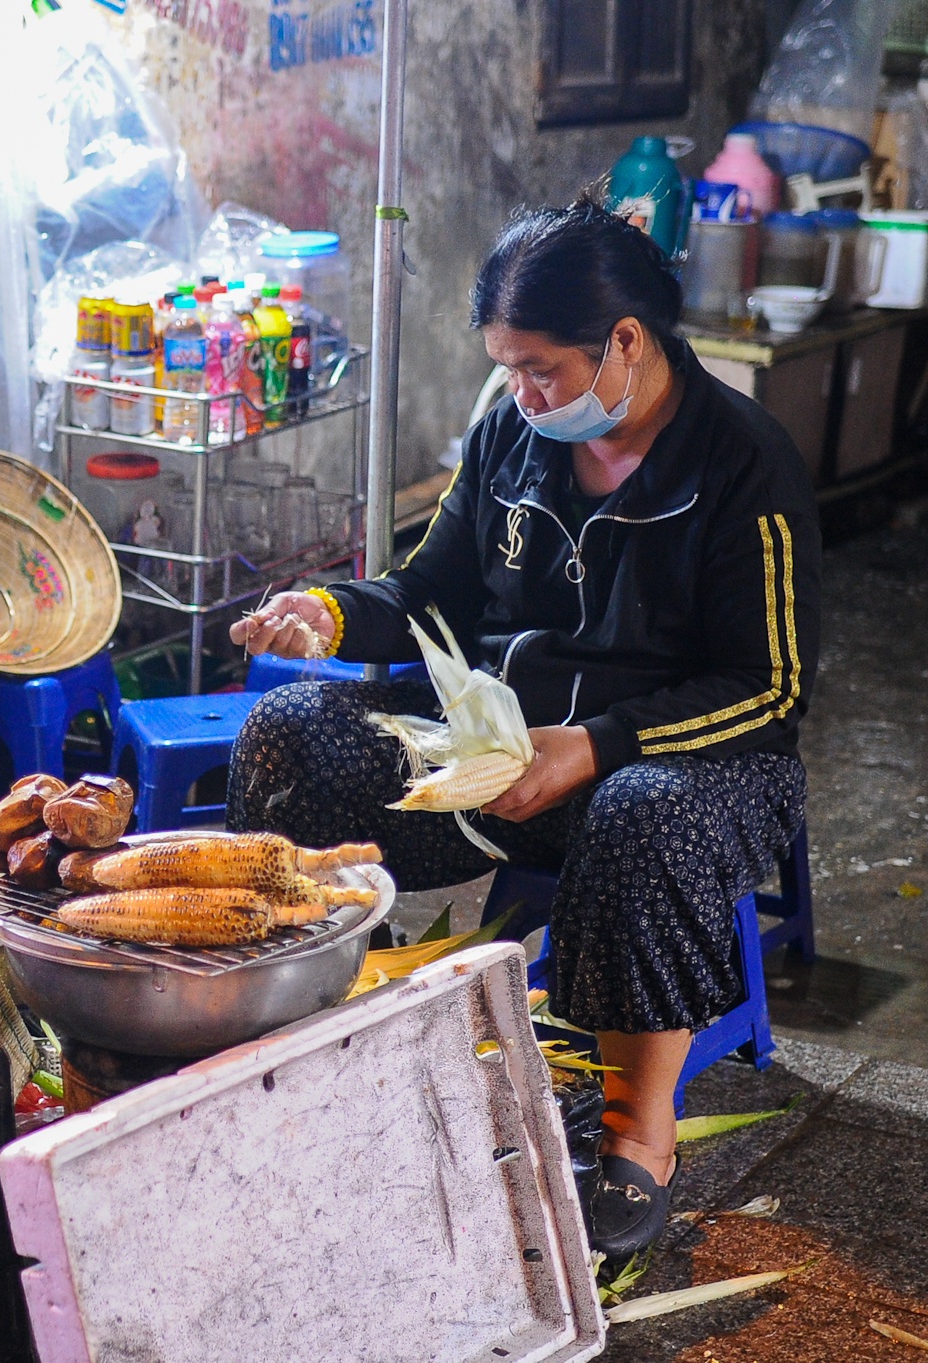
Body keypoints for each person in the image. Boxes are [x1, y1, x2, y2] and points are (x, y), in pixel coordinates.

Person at [227, 199, 819, 1258]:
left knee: (641, 816)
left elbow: (767, 687)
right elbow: (432, 592)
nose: (519, 392)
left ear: (624, 345)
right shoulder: (510, 432)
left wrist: (592, 745)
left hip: (684, 768)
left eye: (539, 368)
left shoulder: (742, 463)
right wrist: (332, 611)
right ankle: (286, 1032)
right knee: (291, 727)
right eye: (505, 367)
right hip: (503, 754)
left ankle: (637, 1136)